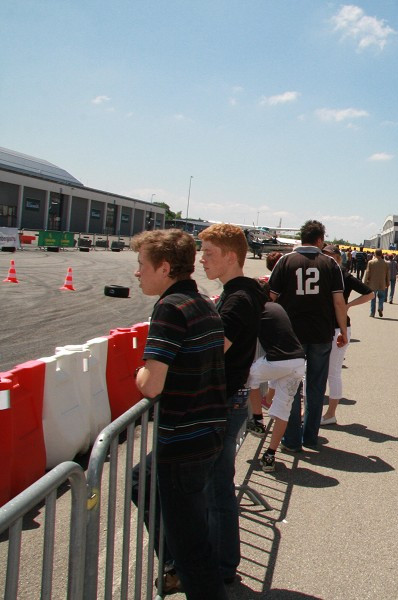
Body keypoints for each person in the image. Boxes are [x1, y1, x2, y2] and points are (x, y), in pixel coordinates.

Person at [132, 229, 229, 598]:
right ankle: (175, 566)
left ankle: (180, 570)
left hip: (184, 440)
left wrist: (138, 372)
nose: (137, 273)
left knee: (192, 550)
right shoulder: (202, 301)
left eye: (142, 265)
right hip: (205, 433)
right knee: (142, 482)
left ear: (165, 267)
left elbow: (151, 384)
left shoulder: (170, 309)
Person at [198, 223, 266, 585]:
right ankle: (221, 562)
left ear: (230, 255)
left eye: (208, 252)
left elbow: (212, 351)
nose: (202, 259)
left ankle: (222, 566)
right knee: (217, 484)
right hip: (232, 397)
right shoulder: (240, 293)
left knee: (216, 486)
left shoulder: (238, 298)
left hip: (224, 401)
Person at [268, 220, 348, 452]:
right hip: (321, 333)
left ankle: (290, 438)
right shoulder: (330, 264)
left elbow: (271, 297)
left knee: (291, 386)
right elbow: (338, 301)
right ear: (320, 240)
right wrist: (342, 330)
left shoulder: (285, 261)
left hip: (290, 334)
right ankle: (310, 436)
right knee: (315, 386)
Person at [248, 296, 306, 473]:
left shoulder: (257, 310)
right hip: (297, 361)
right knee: (283, 409)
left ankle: (257, 419)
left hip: (279, 361)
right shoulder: (277, 308)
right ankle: (270, 455)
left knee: (251, 376)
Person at [321, 245, 374, 426]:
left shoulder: (344, 275)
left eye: (328, 255)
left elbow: (369, 293)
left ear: (337, 257)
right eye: (323, 255)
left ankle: (330, 413)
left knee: (333, 372)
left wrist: (348, 305)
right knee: (315, 371)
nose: (325, 258)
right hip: (322, 327)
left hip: (339, 327)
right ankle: (313, 411)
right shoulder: (322, 272)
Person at [364, 248, 390, 318]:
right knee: (381, 297)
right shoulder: (385, 263)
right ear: (381, 254)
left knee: (373, 298)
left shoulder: (371, 262)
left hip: (373, 283)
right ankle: (380, 307)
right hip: (382, 283)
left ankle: (372, 313)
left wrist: (365, 282)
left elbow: (367, 273)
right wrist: (388, 283)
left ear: (375, 254)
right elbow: (388, 274)